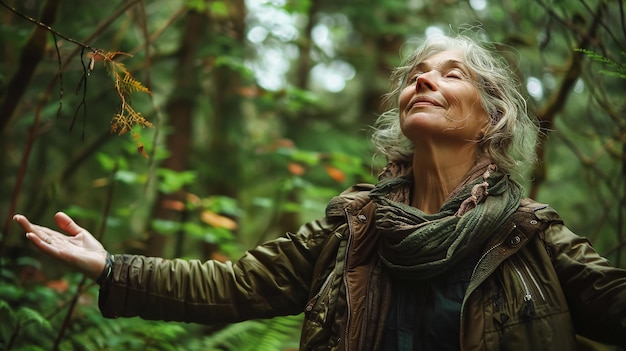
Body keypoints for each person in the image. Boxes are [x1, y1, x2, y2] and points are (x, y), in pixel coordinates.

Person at [13, 33, 626, 350]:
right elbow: (232, 288)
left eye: (450, 73)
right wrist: (111, 266)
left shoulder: (531, 238)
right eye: (418, 71)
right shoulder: (354, 228)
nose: (422, 77)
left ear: (492, 120)